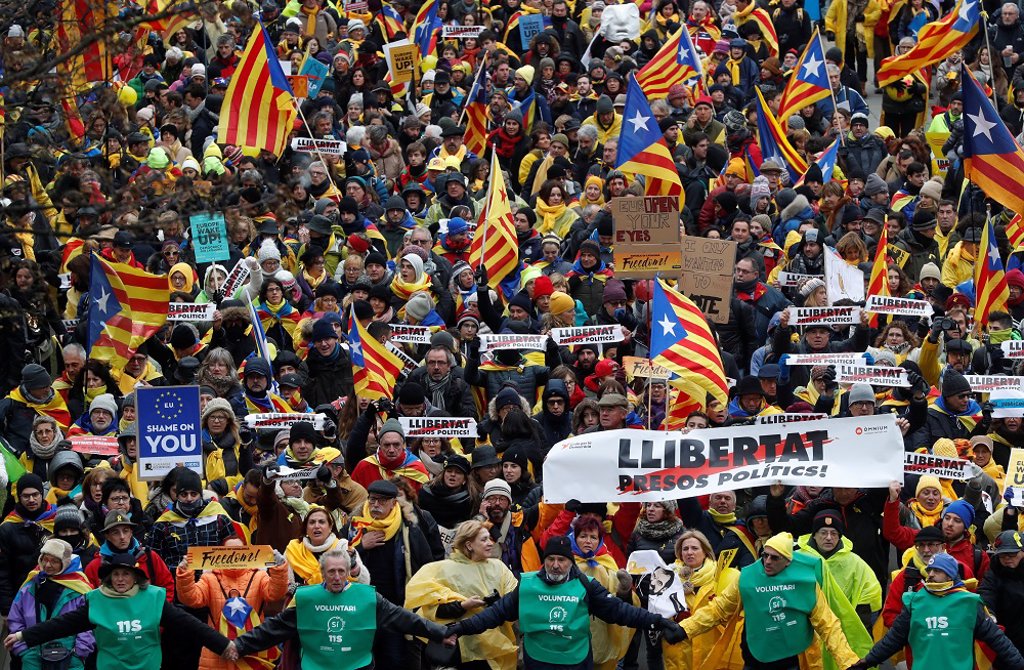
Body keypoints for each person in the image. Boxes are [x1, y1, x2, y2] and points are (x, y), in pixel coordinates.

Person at [446, 535, 686, 669]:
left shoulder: (585, 586)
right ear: (544, 561)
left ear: (571, 562)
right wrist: (460, 628)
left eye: (562, 559)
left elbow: (620, 612)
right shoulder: (527, 585)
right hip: (538, 659)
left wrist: (658, 622)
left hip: (576, 659)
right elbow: (495, 614)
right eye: (550, 559)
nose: (555, 565)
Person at [4, 553, 233, 669]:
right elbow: (60, 625)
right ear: (109, 578)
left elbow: (190, 625)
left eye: (126, 574)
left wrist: (224, 645)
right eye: (116, 574)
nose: (121, 579)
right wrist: (24, 635)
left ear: (135, 576)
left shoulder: (153, 598)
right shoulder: (97, 601)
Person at [230, 549, 455, 667]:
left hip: (358, 666)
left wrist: (440, 633)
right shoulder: (307, 598)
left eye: (341, 571)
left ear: (348, 572)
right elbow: (274, 628)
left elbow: (404, 618)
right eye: (331, 572)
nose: (336, 577)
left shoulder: (368, 597)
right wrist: (238, 645)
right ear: (322, 573)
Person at [678, 532, 860, 669]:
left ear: (788, 561)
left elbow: (828, 625)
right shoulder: (747, 578)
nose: (767, 561)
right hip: (754, 659)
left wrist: (849, 661)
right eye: (765, 555)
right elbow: (718, 610)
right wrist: (685, 629)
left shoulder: (805, 582)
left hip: (791, 659)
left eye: (775, 558)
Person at [850, 553, 1024, 669]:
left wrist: (1018, 663)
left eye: (937, 570)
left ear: (949, 575)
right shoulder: (914, 602)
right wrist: (868, 661)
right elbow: (893, 639)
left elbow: (996, 639)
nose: (930, 574)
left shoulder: (969, 603)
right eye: (929, 570)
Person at [405, 520, 520, 669]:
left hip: (493, 647)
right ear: (469, 545)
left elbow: (514, 601)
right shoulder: (443, 570)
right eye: (484, 539)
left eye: (490, 539)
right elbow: (433, 610)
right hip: (458, 648)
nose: (490, 543)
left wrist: (495, 602)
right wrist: (462, 606)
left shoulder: (498, 567)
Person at [175, 535, 290, 670]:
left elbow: (276, 594)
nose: (234, 554)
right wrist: (184, 573)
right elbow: (190, 599)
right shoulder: (209, 577)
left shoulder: (258, 575)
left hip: (251, 648)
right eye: (229, 550)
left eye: (239, 550)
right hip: (217, 652)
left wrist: (280, 569)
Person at [7, 539, 94, 670]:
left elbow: (88, 623)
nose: (47, 565)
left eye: (54, 561)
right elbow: (15, 619)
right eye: (44, 559)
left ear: (64, 563)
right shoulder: (30, 586)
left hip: (70, 656)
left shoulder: (80, 588)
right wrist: (24, 651)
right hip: (33, 655)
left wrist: (79, 653)